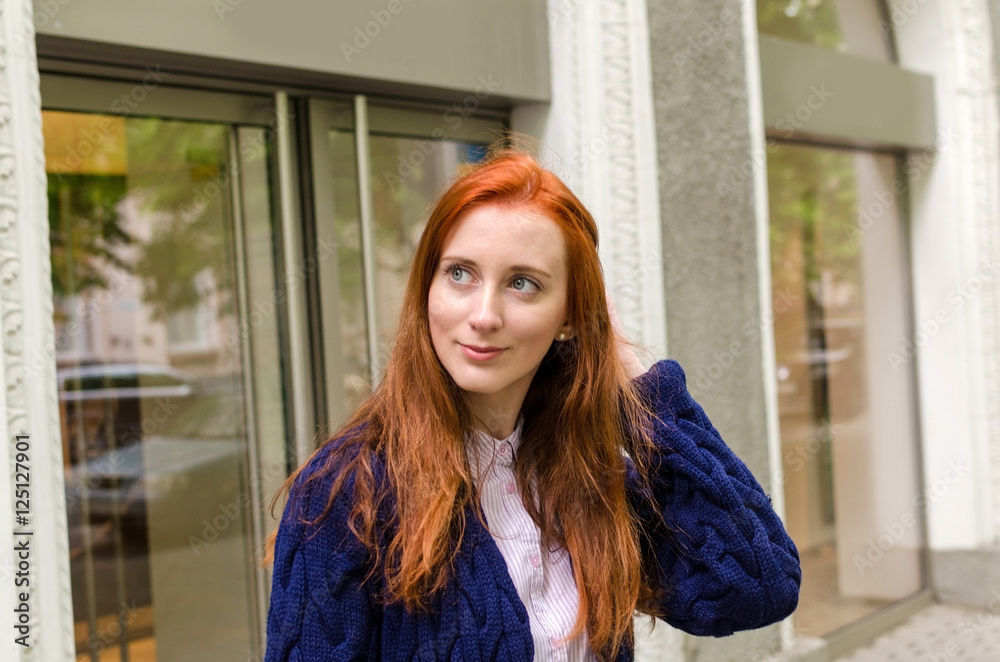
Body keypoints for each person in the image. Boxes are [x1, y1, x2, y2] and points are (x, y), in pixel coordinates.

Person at [263, 149, 801, 662]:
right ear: (426, 289)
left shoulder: (589, 476)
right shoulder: (345, 491)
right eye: (459, 273)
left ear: (570, 316)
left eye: (523, 283)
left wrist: (635, 384)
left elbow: (759, 585)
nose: (484, 314)